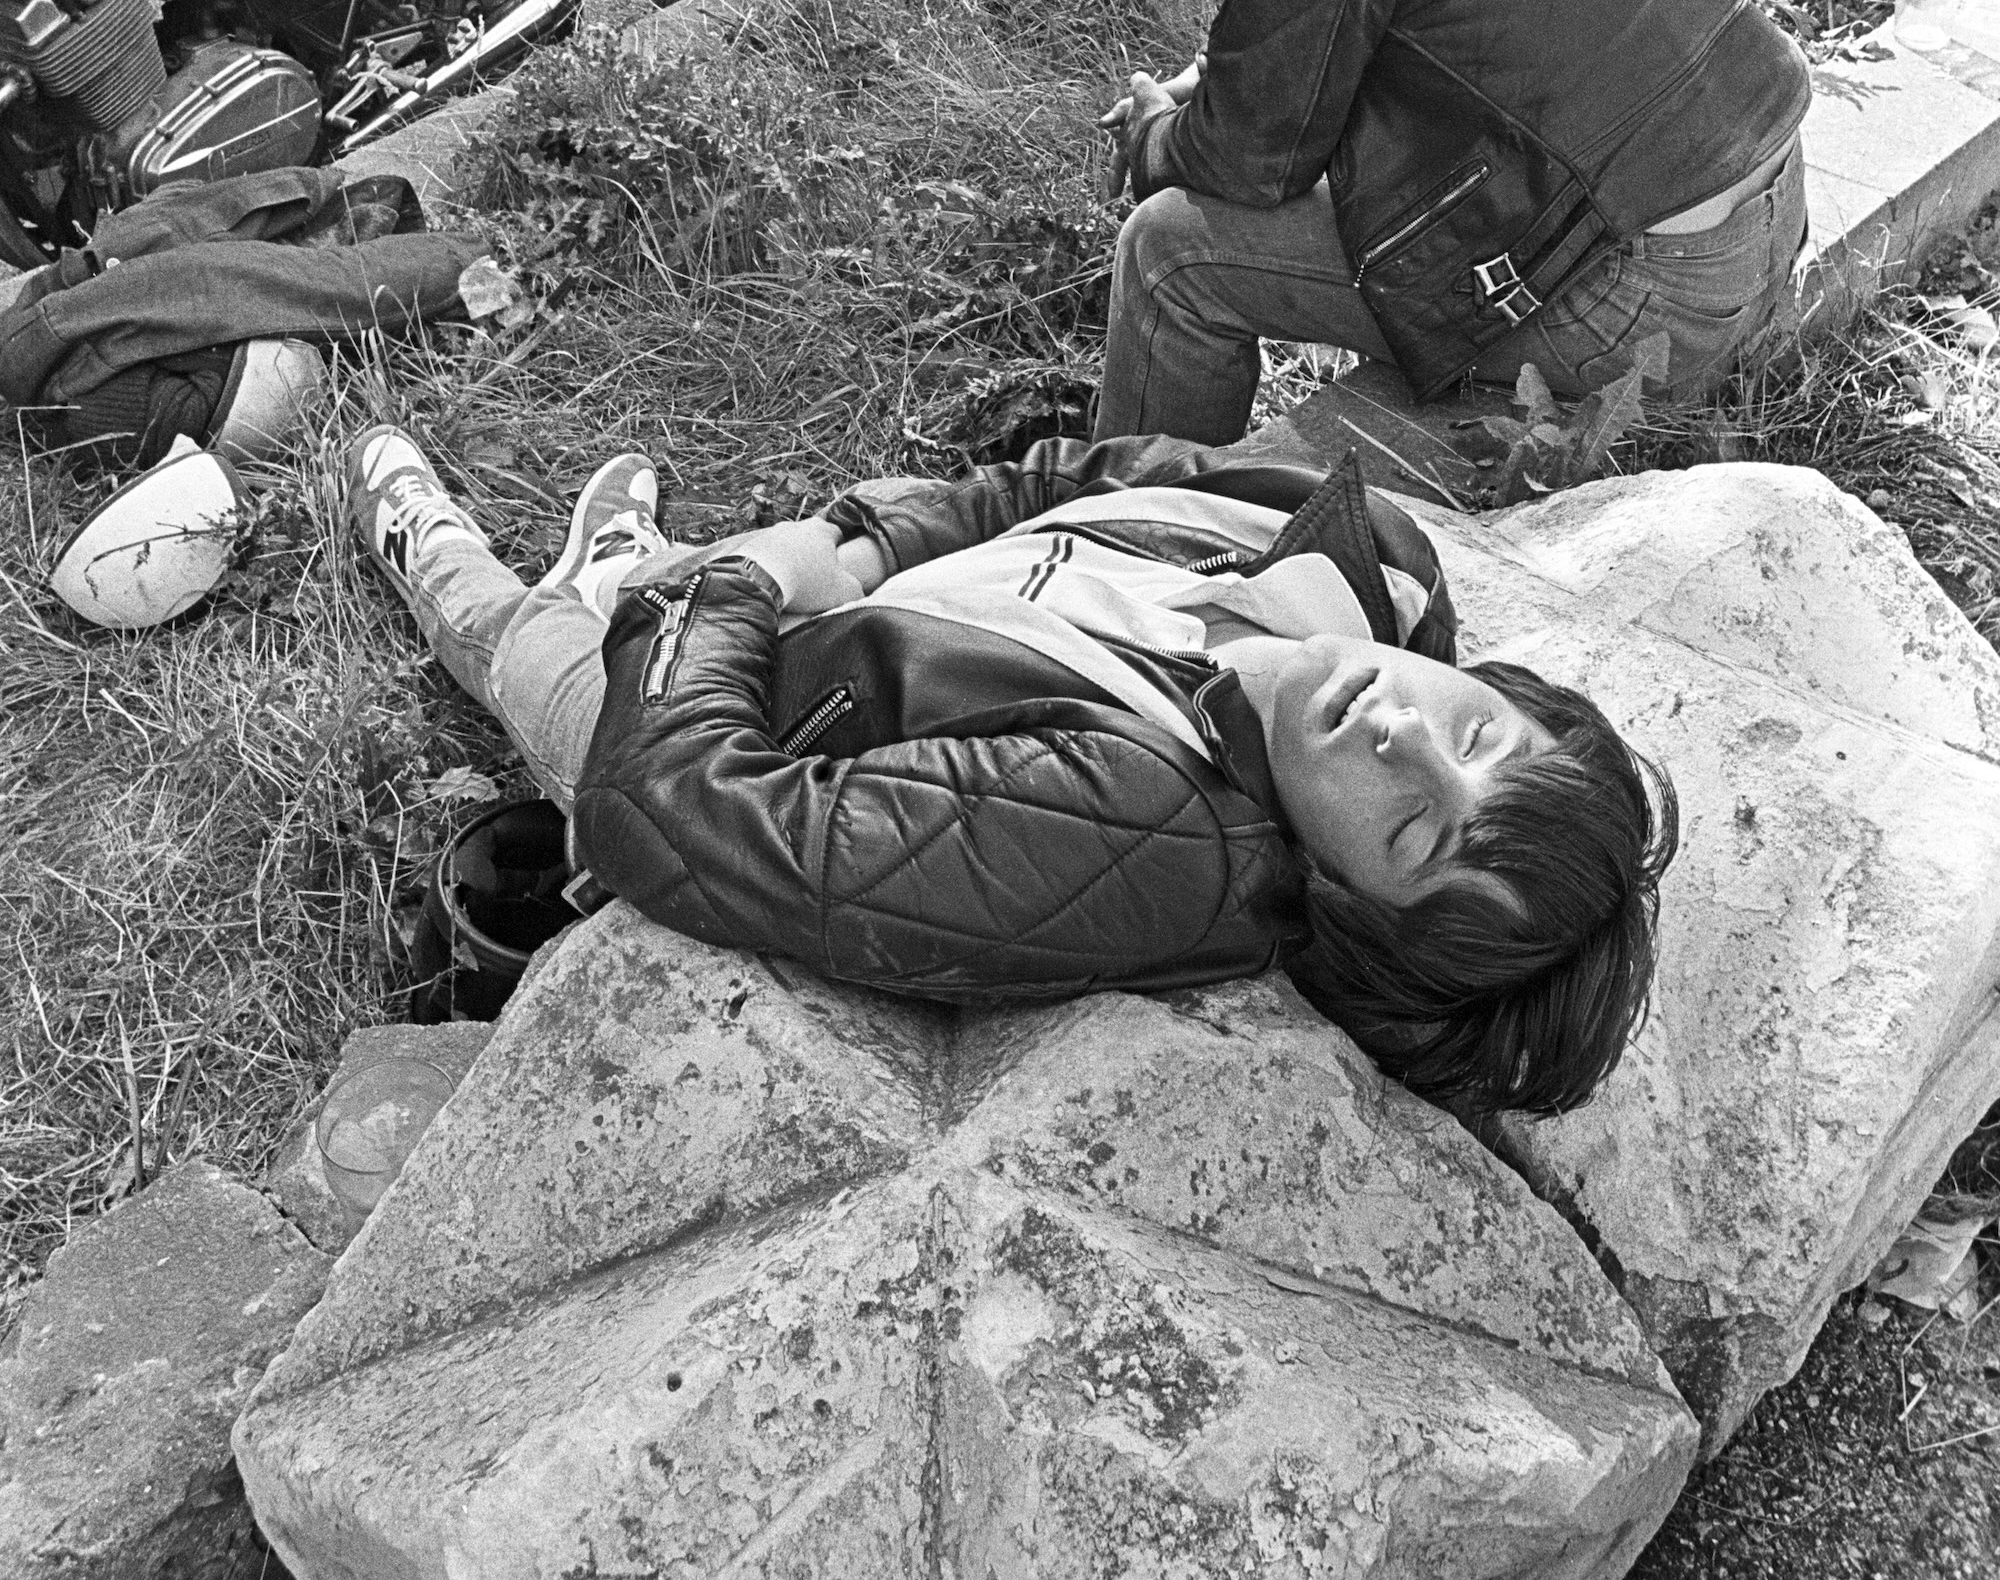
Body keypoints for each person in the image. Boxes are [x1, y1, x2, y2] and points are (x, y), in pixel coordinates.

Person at [347, 421, 1678, 1118]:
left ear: (1353, 906)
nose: (1409, 743)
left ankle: (437, 543)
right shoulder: (1372, 557)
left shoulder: (1151, 832)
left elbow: (669, 813)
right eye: (1482, 738)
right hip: (843, 612)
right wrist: (855, 542)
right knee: (672, 586)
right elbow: (1058, 478)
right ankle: (631, 566)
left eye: (1413, 834)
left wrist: (736, 586)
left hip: (709, 711)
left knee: (535, 655)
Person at [1090, 0, 1811, 445]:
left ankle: (1121, 525)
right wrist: (1214, 85)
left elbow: (1247, 161)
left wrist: (1154, 136)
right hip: (1766, 219)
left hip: (1656, 307)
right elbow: (1392, 24)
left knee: (1166, 249)